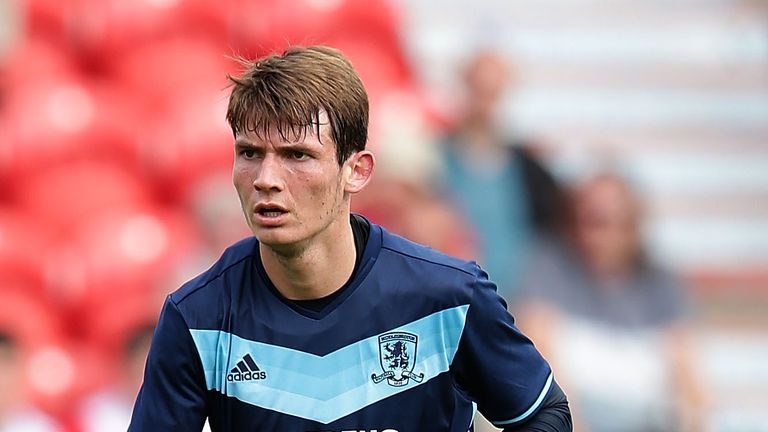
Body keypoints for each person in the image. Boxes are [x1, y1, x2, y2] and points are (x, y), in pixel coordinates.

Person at [128, 45, 571, 431]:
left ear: (356, 171)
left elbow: (543, 413)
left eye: (297, 155)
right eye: (249, 153)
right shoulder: (197, 317)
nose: (266, 179)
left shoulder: (450, 298)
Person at [517, 173, 702, 432]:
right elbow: (541, 363)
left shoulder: (661, 282)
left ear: (631, 227)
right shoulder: (549, 268)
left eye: (600, 222)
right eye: (582, 219)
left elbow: (688, 378)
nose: (588, 233)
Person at [436, 50, 564, 301]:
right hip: (449, 296)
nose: (483, 102)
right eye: (477, 89)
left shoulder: (529, 169)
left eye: (491, 92)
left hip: (514, 301)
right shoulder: (434, 158)